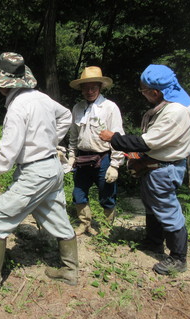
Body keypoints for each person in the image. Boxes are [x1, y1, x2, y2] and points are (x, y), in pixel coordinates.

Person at [0, 52, 78, 288]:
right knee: (57, 217)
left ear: (1, 83)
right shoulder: (41, 98)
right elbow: (66, 116)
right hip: (53, 168)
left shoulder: (17, 109)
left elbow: (5, 158)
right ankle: (70, 271)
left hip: (35, 174)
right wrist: (49, 143)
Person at [99, 64, 190, 275]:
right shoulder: (177, 101)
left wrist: (114, 138)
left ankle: (178, 257)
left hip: (164, 168)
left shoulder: (175, 112)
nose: (143, 94)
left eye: (143, 91)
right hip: (157, 165)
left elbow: (145, 142)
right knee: (152, 204)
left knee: (167, 209)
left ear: (155, 92)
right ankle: (153, 241)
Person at [68, 66, 125, 235]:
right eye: (86, 88)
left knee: (107, 194)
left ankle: (107, 228)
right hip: (83, 157)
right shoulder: (77, 108)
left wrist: (115, 164)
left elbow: (118, 136)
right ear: (81, 89)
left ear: (100, 88)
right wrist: (71, 155)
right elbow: (73, 136)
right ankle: (84, 223)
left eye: (93, 87)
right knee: (78, 192)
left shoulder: (110, 107)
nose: (90, 91)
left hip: (104, 157)